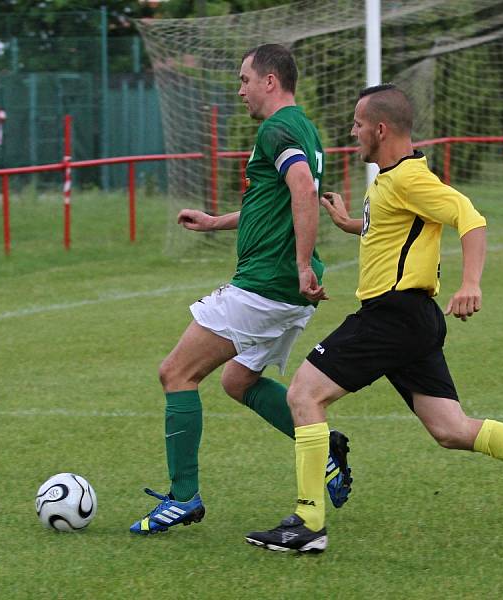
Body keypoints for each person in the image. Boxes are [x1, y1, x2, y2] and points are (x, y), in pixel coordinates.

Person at [245, 84, 503, 553]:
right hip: (412, 320)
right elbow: (395, 230)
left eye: (356, 123)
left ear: (380, 128)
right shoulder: (391, 178)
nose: (352, 132)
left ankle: (307, 523)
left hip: (393, 316)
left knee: (304, 395)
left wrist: (470, 282)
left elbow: (470, 217)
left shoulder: (410, 179)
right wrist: (351, 223)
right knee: (451, 429)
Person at [129, 44, 352, 535]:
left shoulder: (278, 128)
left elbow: (303, 191)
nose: (240, 89)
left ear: (270, 81)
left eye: (245, 78)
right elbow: (272, 206)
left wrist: (298, 266)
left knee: (175, 373)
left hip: (267, 284)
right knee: (238, 382)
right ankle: (323, 446)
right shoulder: (303, 127)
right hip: (284, 286)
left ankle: (183, 497)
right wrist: (214, 223)